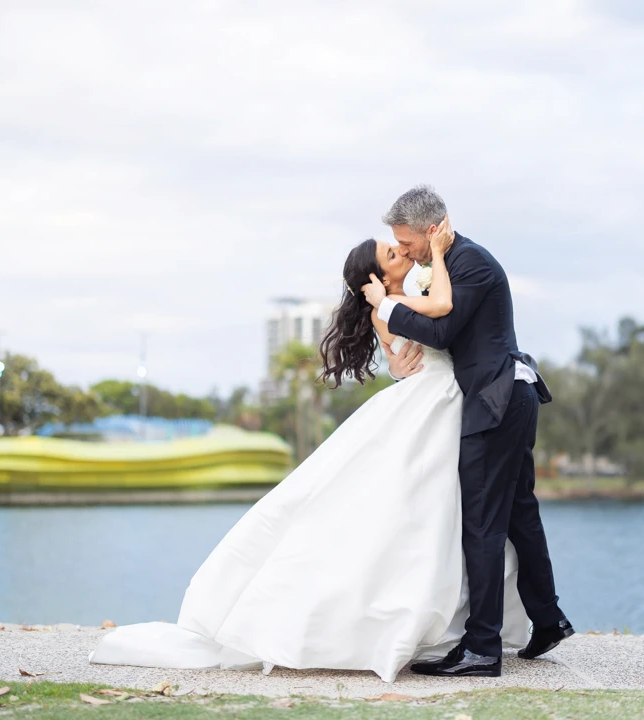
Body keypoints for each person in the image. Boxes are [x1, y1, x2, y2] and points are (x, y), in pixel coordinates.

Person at [88, 222, 531, 683]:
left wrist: (401, 354)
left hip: (446, 402)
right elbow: (433, 322)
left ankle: (465, 624)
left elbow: (434, 333)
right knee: (422, 509)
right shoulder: (394, 303)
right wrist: (420, 279)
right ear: (375, 280)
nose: (401, 251)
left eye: (399, 247)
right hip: (435, 405)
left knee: (449, 511)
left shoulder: (409, 293)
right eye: (391, 253)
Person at [362, 185, 572, 678]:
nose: (406, 251)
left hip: (495, 402)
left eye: (407, 241)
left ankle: (482, 649)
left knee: (482, 523)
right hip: (501, 399)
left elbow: (440, 333)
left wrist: (387, 304)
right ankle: (548, 619)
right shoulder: (446, 267)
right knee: (519, 514)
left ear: (433, 229)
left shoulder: (470, 263)